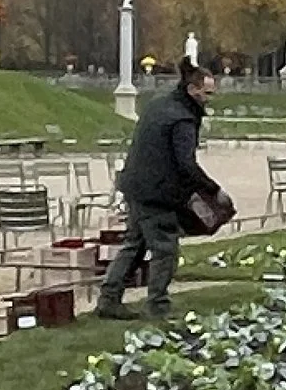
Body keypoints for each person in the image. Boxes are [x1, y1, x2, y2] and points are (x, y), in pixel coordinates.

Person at [96, 59, 227, 318]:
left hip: (135, 185)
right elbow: (185, 164)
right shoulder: (183, 118)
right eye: (207, 93)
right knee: (165, 248)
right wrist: (212, 190)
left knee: (135, 244)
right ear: (193, 90)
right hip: (158, 193)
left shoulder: (159, 104)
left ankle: (109, 299)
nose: (210, 99)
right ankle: (158, 304)